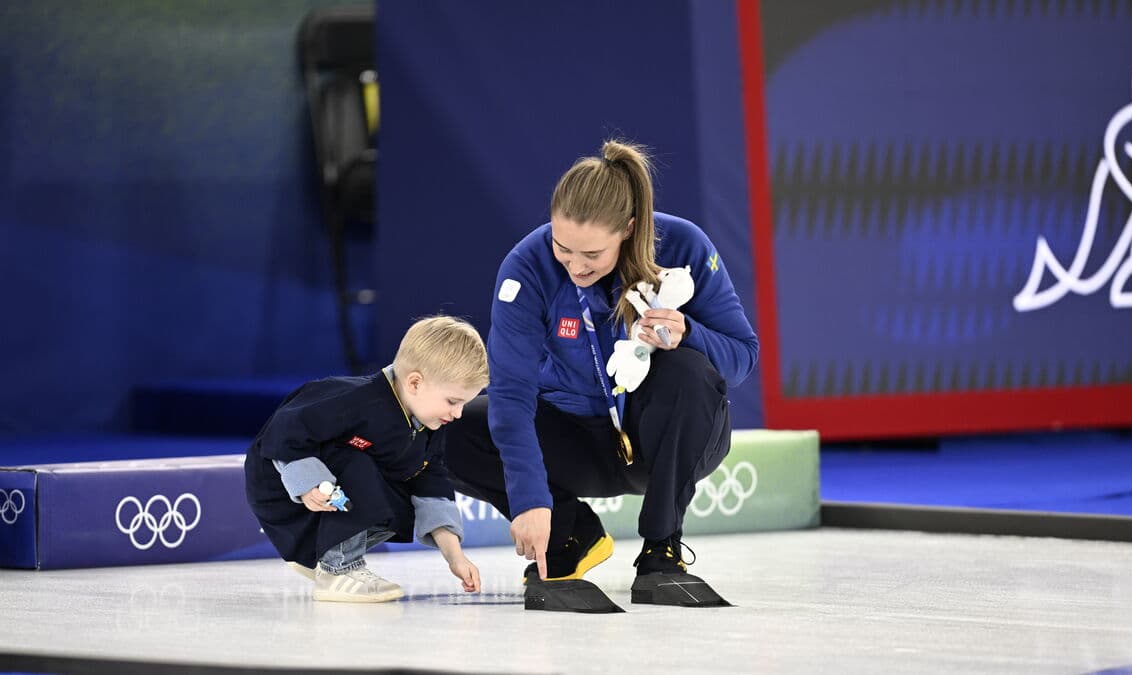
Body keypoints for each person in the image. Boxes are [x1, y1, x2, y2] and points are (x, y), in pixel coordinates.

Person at [444, 139, 759, 606]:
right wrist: (530, 499)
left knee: (689, 373)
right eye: (562, 247)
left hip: (657, 438)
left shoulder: (685, 246)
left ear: (629, 231)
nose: (574, 265)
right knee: (445, 431)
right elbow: (511, 393)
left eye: (592, 256)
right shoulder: (527, 267)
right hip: (571, 437)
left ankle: (661, 550)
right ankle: (572, 535)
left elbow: (742, 359)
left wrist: (689, 330)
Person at [244, 316, 488, 602]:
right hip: (280, 484)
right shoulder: (354, 399)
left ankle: (321, 556)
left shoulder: (428, 427)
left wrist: (454, 556)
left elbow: (431, 485)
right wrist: (305, 482)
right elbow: (284, 431)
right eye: (452, 402)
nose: (458, 414)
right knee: (359, 461)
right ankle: (338, 568)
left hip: (327, 498)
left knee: (405, 490)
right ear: (415, 383)